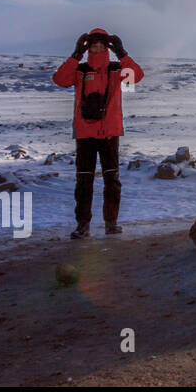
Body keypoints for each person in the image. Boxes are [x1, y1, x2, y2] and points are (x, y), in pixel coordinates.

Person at [52, 28, 145, 239]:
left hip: (110, 133)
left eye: (102, 45)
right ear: (88, 48)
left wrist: (122, 53)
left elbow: (136, 76)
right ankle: (83, 225)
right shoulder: (80, 70)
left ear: (108, 48)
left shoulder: (116, 69)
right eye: (93, 45)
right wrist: (76, 55)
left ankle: (110, 223)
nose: (98, 48)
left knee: (112, 180)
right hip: (85, 134)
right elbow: (59, 79)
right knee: (84, 182)